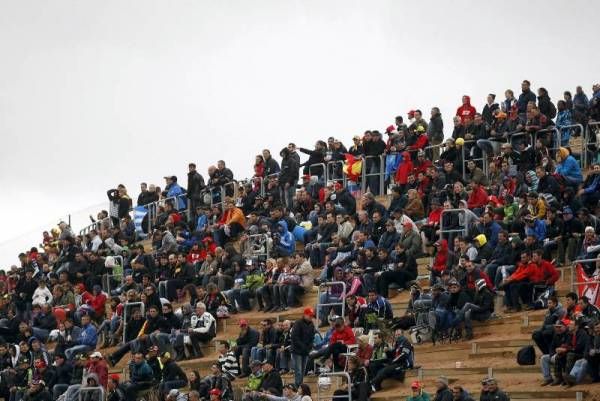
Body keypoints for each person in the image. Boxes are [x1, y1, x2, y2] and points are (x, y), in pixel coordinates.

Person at [290, 308, 316, 387]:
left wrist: (309, 347)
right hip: (297, 350)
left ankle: (300, 385)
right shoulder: (298, 323)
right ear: (305, 315)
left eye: (312, 316)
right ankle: (298, 386)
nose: (311, 317)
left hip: (306, 351)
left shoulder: (311, 324)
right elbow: (295, 337)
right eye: (309, 315)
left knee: (303, 370)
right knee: (298, 370)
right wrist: (303, 347)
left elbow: (312, 337)